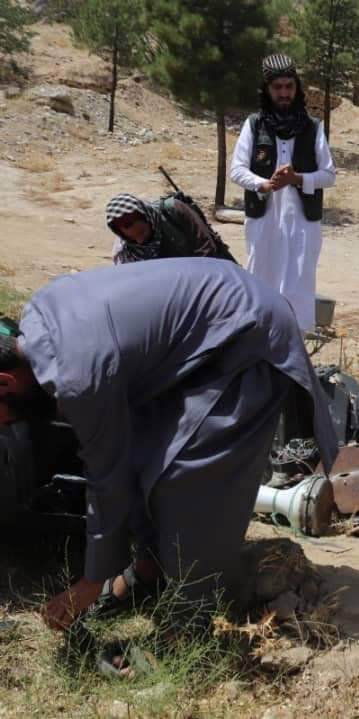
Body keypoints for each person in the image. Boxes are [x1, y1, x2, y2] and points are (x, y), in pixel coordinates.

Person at [0, 259, 339, 636]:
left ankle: (189, 622)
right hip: (212, 326)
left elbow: (106, 477)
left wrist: (90, 583)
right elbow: (123, 458)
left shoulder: (76, 377)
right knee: (148, 458)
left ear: (5, 383)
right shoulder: (36, 320)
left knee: (186, 479)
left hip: (245, 336)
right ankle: (151, 570)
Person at [229, 53, 336, 331]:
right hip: (264, 221)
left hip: (302, 225)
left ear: (296, 88)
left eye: (289, 87)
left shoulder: (313, 128)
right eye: (278, 88)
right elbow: (237, 170)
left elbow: (328, 175)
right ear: (267, 89)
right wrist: (264, 184)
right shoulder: (254, 125)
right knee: (260, 283)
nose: (284, 93)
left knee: (298, 288)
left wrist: (297, 179)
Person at [106, 192, 235, 264]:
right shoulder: (124, 250)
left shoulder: (174, 211)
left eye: (142, 233)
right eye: (133, 239)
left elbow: (206, 250)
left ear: (148, 219)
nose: (139, 242)